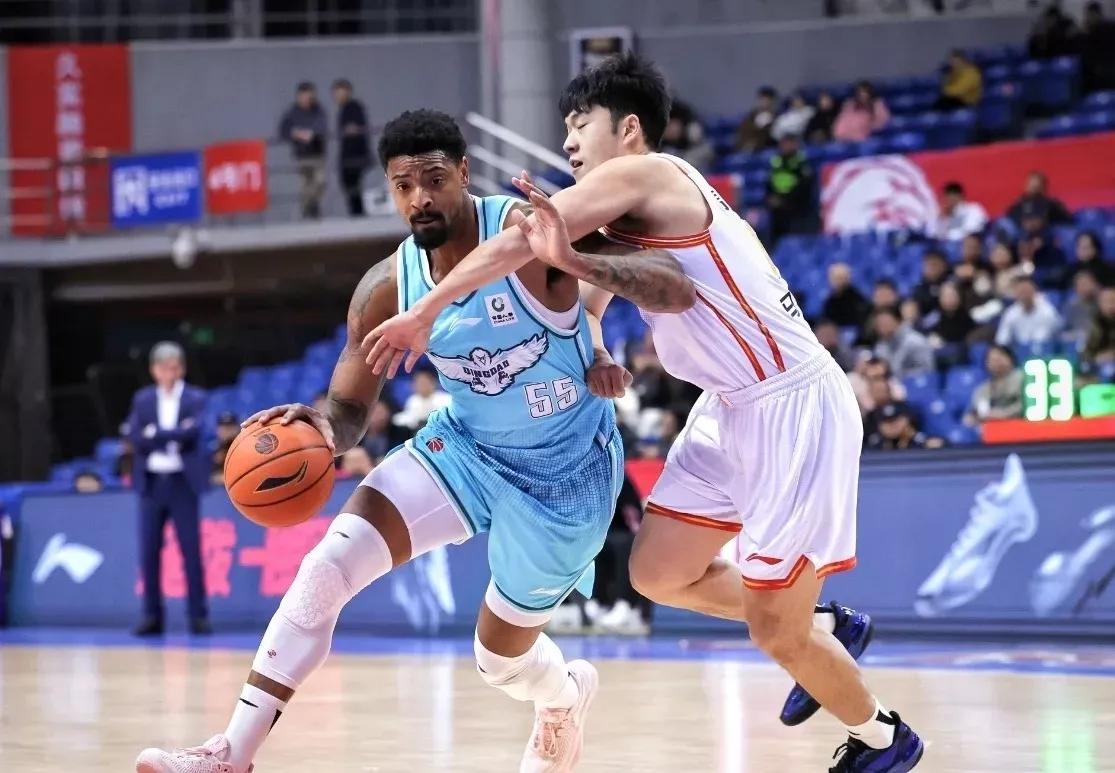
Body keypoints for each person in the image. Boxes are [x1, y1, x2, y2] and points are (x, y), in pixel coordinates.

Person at [366, 53, 923, 771]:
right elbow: (590, 300)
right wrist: (598, 352)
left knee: (772, 632)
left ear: (628, 129)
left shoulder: (648, 172)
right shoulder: (626, 212)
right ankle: (821, 622)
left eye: (580, 124)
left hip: (790, 403)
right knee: (658, 573)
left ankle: (883, 738)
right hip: (728, 408)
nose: (568, 142)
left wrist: (426, 311)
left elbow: (515, 243)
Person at [135, 109, 678, 773]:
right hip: (468, 449)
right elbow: (348, 403)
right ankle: (231, 753)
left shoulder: (528, 232)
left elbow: (652, 262)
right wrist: (322, 429)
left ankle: (562, 698)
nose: (419, 197)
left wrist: (594, 330)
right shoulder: (387, 286)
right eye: (403, 185)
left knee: (498, 661)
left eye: (434, 179)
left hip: (565, 476)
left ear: (465, 174)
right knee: (324, 571)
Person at [126, 342, 210, 637]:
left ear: (182, 368)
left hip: (181, 483)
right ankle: (151, 615)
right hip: (152, 483)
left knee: (190, 550)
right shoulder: (143, 399)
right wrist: (173, 435)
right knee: (149, 551)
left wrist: (157, 434)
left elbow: (194, 431)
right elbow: (136, 436)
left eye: (174, 367)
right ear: (154, 370)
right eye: (163, 368)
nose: (169, 373)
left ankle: (198, 615)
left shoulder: (195, 397)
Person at [278, 82, 328, 219]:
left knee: (320, 182)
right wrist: (295, 133)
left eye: (311, 97)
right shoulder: (292, 112)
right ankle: (308, 212)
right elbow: (283, 130)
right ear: (299, 96)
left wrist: (312, 134)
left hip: (317, 154)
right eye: (305, 97)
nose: (308, 100)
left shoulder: (318, 110)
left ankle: (311, 207)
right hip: (301, 156)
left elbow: (322, 127)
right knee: (305, 185)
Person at [766, 134, 817, 242]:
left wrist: (784, 200)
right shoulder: (776, 161)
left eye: (788, 143)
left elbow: (804, 187)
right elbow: (769, 183)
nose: (785, 146)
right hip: (777, 209)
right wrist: (771, 198)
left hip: (796, 208)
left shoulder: (801, 162)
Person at [332, 78, 372, 217]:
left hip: (355, 156)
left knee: (353, 186)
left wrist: (351, 129)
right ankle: (356, 213)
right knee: (349, 186)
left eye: (341, 93)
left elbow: (357, 128)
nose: (338, 97)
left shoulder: (354, 107)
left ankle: (358, 214)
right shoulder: (343, 109)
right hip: (348, 156)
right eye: (336, 94)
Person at [964, 345, 1024, 427]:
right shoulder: (983, 388)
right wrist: (974, 417)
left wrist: (1004, 414)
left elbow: (1025, 405)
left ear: (1011, 359)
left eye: (999, 358)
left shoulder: (1022, 378)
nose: (996, 362)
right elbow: (980, 410)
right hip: (993, 427)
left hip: (1020, 424)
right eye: (992, 360)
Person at [996, 275, 1063, 347]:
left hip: (1044, 349)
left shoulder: (1047, 311)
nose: (1024, 294)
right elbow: (1002, 340)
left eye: (1026, 290)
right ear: (1015, 294)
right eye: (1021, 291)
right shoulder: (1011, 313)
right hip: (1021, 349)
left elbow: (1052, 335)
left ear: (1034, 291)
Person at [872, 307, 936, 379]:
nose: (882, 327)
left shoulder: (915, 342)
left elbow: (927, 371)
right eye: (879, 323)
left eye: (885, 322)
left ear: (897, 321)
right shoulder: (881, 345)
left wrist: (899, 377)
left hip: (912, 383)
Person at [1007, 171, 1072, 233]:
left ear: (1043, 188)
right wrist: (1023, 222)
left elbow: (1066, 218)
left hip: (1048, 234)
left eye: (1037, 186)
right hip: (1022, 234)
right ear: (1025, 186)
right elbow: (1010, 217)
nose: (1033, 188)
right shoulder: (1018, 204)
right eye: (1031, 185)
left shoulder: (1050, 203)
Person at [822, 262, 871, 329]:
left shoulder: (857, 299)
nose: (839, 282)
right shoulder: (829, 302)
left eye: (842, 278)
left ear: (848, 279)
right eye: (836, 278)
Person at [1081, 1, 1115, 93]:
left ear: (1096, 14)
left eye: (1089, 15)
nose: (1088, 18)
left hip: (1102, 74)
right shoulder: (1105, 27)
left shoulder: (1100, 29)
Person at [735, 85, 778, 152]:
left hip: (763, 149)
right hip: (745, 147)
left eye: (768, 99)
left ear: (772, 101)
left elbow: (771, 136)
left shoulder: (775, 117)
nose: (765, 101)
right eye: (762, 99)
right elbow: (742, 132)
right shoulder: (751, 115)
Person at [1065, 268, 1102, 345]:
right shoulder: (1071, 305)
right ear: (1075, 288)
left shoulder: (1103, 302)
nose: (1084, 288)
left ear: (1094, 284)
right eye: (1080, 285)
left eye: (1086, 284)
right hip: (1078, 341)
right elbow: (1065, 328)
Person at [911, 249, 952, 316]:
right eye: (928, 265)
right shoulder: (919, 289)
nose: (931, 268)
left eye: (934, 264)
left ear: (943, 266)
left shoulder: (951, 283)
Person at [1083, 287, 1115, 368]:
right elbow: (1086, 354)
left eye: (1113, 301)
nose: (1111, 305)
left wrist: (1112, 355)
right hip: (1100, 367)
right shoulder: (1095, 325)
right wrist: (1096, 359)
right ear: (1100, 304)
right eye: (1107, 301)